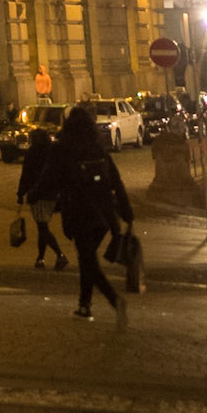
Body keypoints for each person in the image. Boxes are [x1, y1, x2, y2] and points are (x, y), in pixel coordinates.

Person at [54, 102, 132, 326]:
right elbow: (116, 181)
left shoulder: (65, 147)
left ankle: (114, 300)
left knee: (88, 262)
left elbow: (50, 176)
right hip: (103, 216)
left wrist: (33, 195)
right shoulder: (98, 148)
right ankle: (84, 305)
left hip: (79, 213)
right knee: (87, 258)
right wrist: (127, 214)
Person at [15, 127, 68, 270]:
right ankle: (40, 258)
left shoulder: (32, 153)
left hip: (37, 194)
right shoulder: (52, 151)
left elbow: (25, 175)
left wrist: (20, 194)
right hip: (53, 193)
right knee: (42, 227)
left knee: (42, 227)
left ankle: (60, 255)